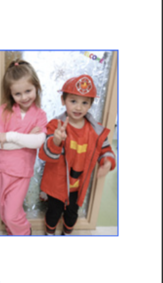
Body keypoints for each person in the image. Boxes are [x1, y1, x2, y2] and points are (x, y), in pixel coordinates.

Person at [40, 74, 116, 236]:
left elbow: (106, 150)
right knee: (53, 213)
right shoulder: (56, 125)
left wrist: (107, 162)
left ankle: (67, 234)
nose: (78, 107)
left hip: (78, 186)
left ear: (90, 105)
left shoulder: (96, 130)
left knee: (72, 215)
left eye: (84, 103)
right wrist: (56, 141)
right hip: (56, 185)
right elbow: (44, 154)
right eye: (73, 101)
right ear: (63, 100)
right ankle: (49, 234)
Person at [0, 60, 47, 236]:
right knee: (4, 214)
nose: (24, 97)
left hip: (21, 172)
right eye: (18, 94)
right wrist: (27, 137)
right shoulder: (3, 111)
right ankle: (13, 233)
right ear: (11, 94)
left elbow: (38, 142)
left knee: (12, 215)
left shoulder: (40, 115)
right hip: (0, 169)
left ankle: (24, 234)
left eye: (28, 91)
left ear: (36, 87)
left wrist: (10, 136)